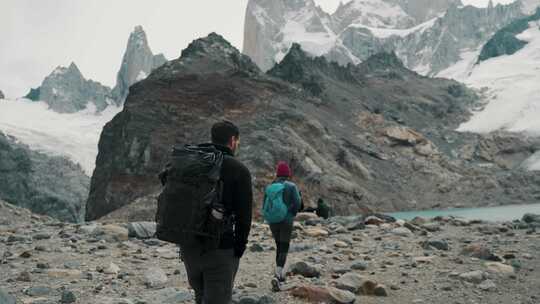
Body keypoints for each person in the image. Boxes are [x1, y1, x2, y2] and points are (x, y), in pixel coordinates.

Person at [180, 121, 253, 304]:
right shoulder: (238, 169)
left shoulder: (190, 161)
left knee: (200, 296)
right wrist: (238, 248)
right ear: (232, 140)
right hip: (219, 248)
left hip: (188, 246)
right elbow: (245, 216)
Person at [263, 161, 302, 291]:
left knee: (279, 245)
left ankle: (279, 272)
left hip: (273, 221)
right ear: (288, 174)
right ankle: (278, 275)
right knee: (284, 247)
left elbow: (265, 204)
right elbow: (297, 203)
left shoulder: (271, 186)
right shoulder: (291, 186)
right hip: (286, 220)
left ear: (278, 173)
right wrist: (291, 213)